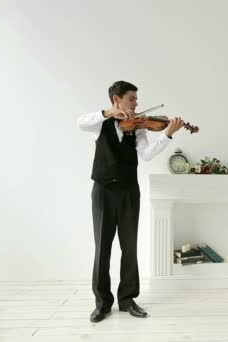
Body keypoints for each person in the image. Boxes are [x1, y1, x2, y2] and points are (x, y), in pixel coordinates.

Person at [77, 80, 184, 322]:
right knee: (102, 248)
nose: (137, 104)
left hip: (128, 192)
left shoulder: (138, 127)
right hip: (103, 191)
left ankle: (127, 299)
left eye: (136, 99)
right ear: (117, 99)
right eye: (132, 99)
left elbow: (146, 155)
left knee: (129, 246)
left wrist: (167, 134)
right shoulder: (99, 123)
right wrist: (108, 113)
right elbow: (79, 122)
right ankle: (102, 303)